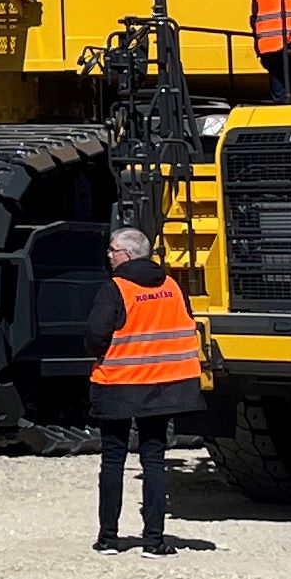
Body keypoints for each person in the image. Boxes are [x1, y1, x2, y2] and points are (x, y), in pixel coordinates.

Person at [83, 227, 205, 555]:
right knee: (154, 460)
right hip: (162, 387)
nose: (109, 255)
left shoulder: (115, 289)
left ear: (127, 254)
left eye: (112, 250)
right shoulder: (172, 287)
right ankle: (154, 541)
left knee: (113, 459)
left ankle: (108, 539)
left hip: (119, 386)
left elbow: (95, 337)